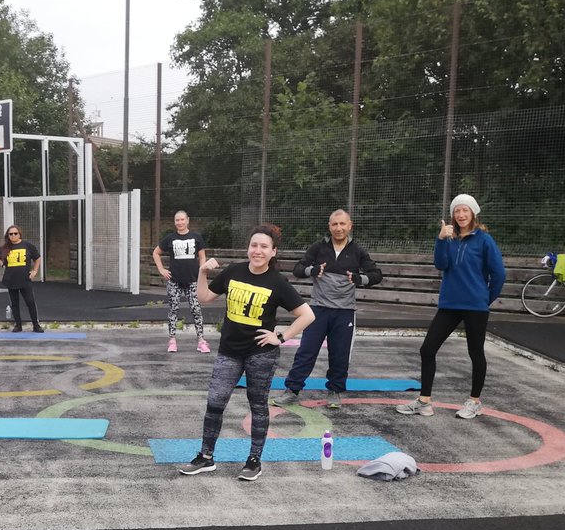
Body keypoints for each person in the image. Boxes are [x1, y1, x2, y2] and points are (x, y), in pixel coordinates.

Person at [180, 225, 315, 482]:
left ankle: (254, 461)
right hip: (229, 351)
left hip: (260, 354)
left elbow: (307, 315)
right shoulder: (234, 272)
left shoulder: (277, 282)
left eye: (264, 247)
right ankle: (206, 457)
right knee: (215, 402)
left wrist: (280, 337)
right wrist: (202, 272)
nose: (258, 251)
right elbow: (205, 296)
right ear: (248, 248)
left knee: (258, 406)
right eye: (254, 245)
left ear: (273, 252)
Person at [397, 194, 505, 420]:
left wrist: (484, 299)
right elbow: (441, 264)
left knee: (475, 353)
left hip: (476, 306)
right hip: (449, 304)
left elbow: (499, 274)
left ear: (473, 213)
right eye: (457, 211)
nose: (461, 215)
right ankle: (424, 401)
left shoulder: (485, 240)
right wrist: (440, 239)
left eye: (465, 210)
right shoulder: (448, 238)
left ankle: (474, 401)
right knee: (427, 349)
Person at [277, 209, 382, 409]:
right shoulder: (318, 248)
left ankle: (334, 392)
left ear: (350, 226)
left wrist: (361, 279)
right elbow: (298, 270)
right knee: (306, 352)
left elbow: (377, 275)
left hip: (344, 312)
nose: (338, 228)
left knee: (339, 354)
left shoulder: (358, 251)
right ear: (329, 227)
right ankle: (292, 390)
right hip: (317, 310)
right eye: (334, 224)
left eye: (342, 224)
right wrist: (313, 270)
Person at [152, 210, 210, 353]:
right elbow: (156, 252)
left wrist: (202, 271)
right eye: (177, 220)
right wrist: (161, 269)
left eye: (182, 219)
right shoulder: (170, 238)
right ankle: (172, 340)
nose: (180, 222)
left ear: (187, 220)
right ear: (174, 222)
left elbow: (202, 256)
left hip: (192, 281)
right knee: (173, 309)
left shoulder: (196, 237)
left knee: (196, 310)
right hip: (174, 281)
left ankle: (201, 341)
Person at [0, 225, 43, 332]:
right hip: (11, 279)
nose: (13, 235)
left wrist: (35, 271)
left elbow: (37, 258)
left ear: (19, 234)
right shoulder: (6, 247)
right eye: (11, 234)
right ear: (8, 235)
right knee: (14, 304)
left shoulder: (27, 245)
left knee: (30, 302)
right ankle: (18, 325)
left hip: (25, 279)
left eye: (16, 233)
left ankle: (36, 325)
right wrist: (2, 264)